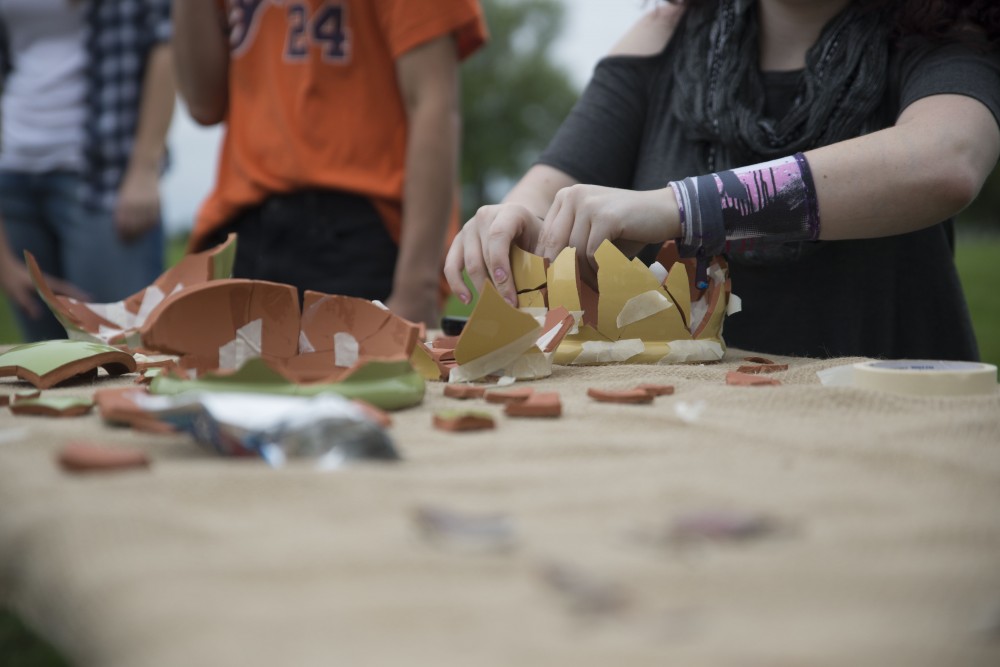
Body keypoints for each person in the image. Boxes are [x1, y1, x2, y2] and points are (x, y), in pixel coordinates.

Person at [445, 0, 1000, 361]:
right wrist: (516, 219)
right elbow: (551, 190)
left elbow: (945, 161)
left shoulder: (945, 25)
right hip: (680, 435)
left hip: (887, 432)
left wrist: (678, 207)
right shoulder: (663, 32)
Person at [173, 0, 487, 327]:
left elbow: (432, 101)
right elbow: (203, 104)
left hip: (356, 234)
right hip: (242, 227)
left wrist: (416, 288)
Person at [0, 0, 175, 341]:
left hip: (105, 179)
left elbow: (167, 39)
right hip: (13, 175)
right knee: (45, 367)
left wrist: (144, 168)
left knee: (124, 352)